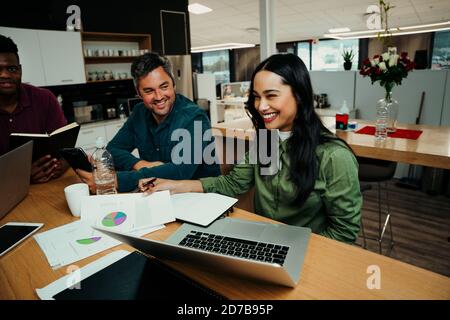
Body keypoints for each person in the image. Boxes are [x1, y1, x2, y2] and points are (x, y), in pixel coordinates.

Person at [139, 53, 362, 243]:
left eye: (271, 96)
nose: (261, 106)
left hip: (309, 255)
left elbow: (344, 232)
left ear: (299, 95)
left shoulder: (333, 156)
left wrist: (298, 251)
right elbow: (233, 183)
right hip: (265, 242)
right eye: (256, 97)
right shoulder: (268, 140)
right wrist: (173, 185)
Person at [76, 52, 221, 193]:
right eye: (149, 91)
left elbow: (180, 170)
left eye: (164, 87)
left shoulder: (194, 118)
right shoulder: (139, 113)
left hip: (202, 198)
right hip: (158, 194)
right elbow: (113, 150)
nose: (159, 97)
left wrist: (114, 181)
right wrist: (141, 164)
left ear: (173, 85)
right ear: (138, 93)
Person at [0, 34, 69, 183]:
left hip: (45, 188)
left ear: (20, 70)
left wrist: (57, 165)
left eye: (11, 69)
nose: (5, 75)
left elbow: (65, 150)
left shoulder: (43, 98)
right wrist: (22, 175)